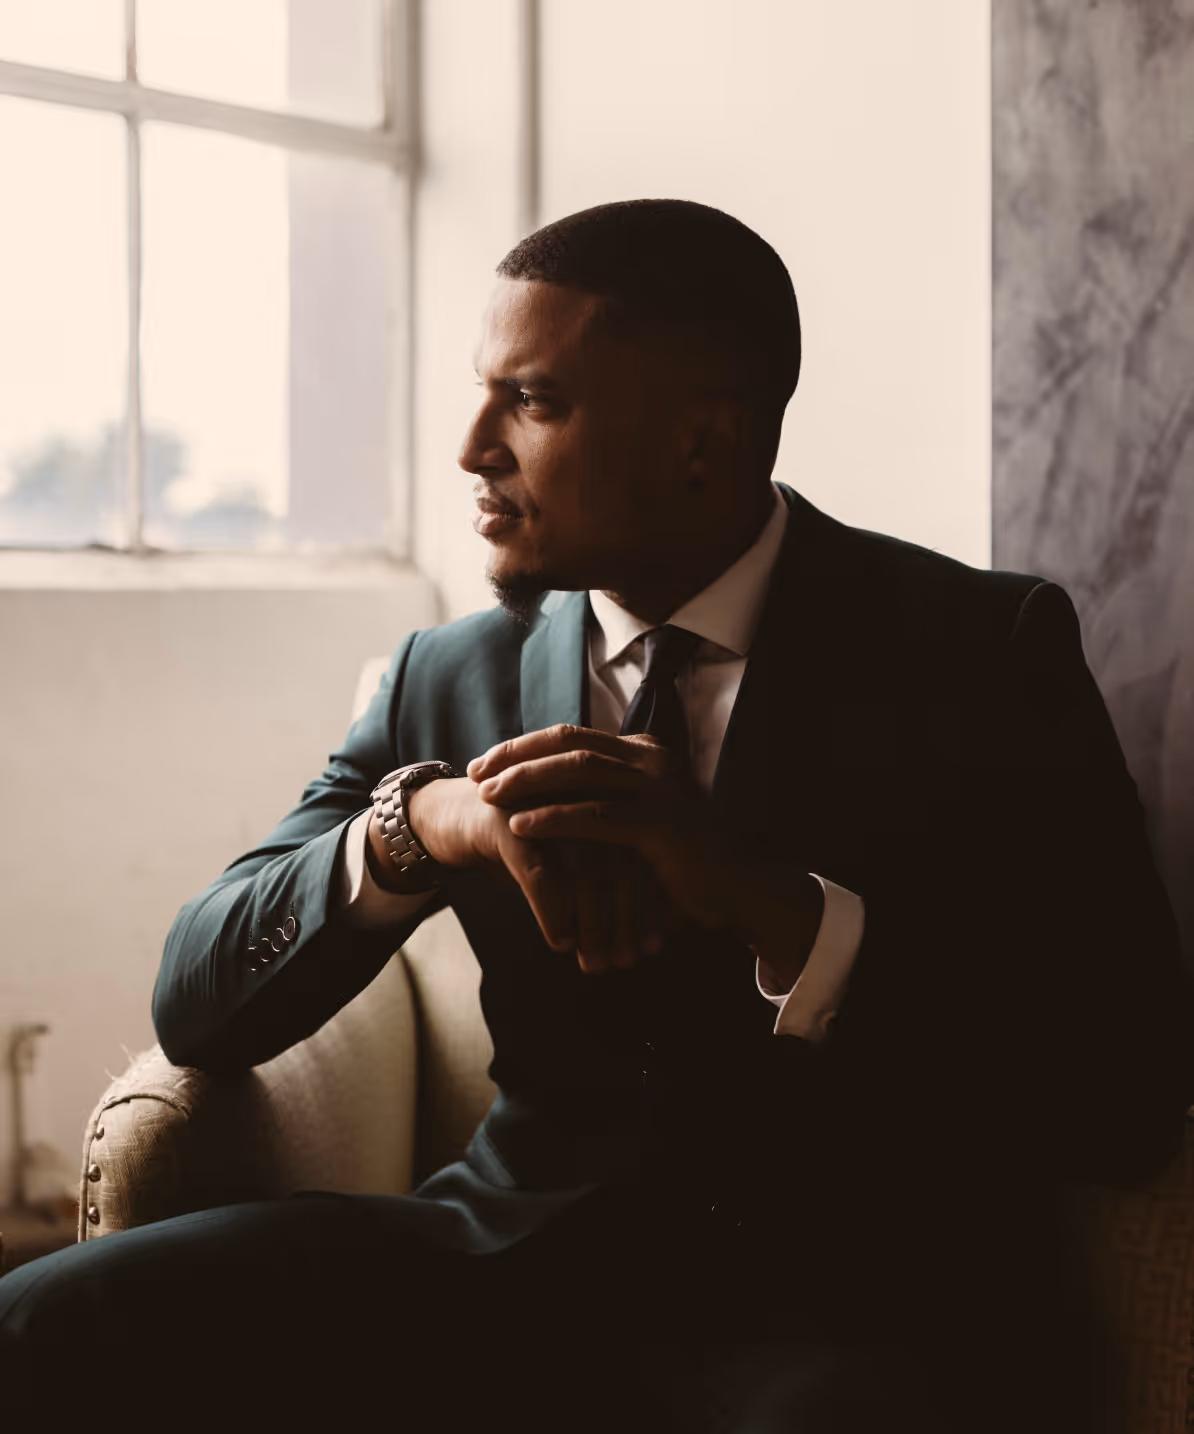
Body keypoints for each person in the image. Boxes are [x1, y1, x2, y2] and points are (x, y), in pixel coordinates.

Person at [1, 199, 1190, 1433]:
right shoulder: (443, 679)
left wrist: (772, 905)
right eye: (484, 392)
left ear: (703, 437)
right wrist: (430, 825)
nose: (471, 446)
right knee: (38, 1325)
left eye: (534, 402)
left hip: (850, 1304)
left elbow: (1125, 1085)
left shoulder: (984, 652)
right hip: (503, 1258)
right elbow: (197, 1002)